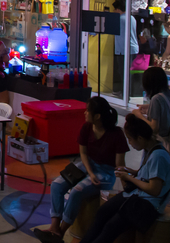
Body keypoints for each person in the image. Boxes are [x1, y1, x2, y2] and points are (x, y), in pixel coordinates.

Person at [78, 114, 170, 243]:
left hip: (147, 204)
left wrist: (129, 178)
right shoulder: (151, 149)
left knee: (110, 227)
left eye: (130, 139)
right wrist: (132, 171)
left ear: (140, 138)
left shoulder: (158, 156)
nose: (130, 143)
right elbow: (151, 175)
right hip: (137, 195)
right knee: (102, 212)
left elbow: (154, 189)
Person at [44, 97, 129, 241]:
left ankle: (61, 232)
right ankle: (54, 226)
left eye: (87, 110)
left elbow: (119, 165)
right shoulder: (87, 127)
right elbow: (83, 153)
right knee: (57, 185)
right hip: (87, 165)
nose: (85, 113)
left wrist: (126, 186)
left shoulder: (116, 134)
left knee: (77, 191)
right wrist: (89, 172)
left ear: (97, 116)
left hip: (106, 172)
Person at [135, 66, 170, 139]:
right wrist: (149, 107)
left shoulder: (156, 99)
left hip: (161, 141)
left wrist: (139, 116)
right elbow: (169, 110)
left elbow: (154, 128)